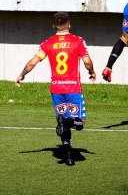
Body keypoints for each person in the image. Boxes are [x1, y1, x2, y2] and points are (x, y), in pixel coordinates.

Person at [16, 12, 96, 166]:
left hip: (56, 89)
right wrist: (91, 71)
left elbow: (33, 62)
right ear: (69, 24)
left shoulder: (47, 43)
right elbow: (87, 60)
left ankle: (68, 157)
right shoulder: (78, 41)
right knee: (80, 123)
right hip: (73, 88)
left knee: (64, 124)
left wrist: (22, 74)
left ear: (54, 26)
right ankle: (66, 122)